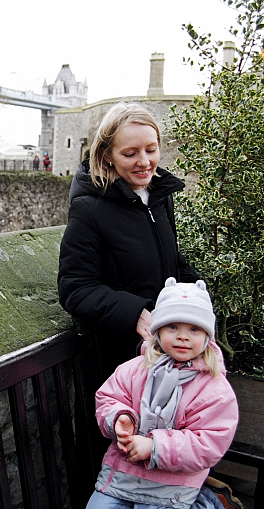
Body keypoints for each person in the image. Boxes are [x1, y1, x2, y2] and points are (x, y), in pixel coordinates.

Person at [58, 102, 198, 381]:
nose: (144, 162)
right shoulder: (89, 208)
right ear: (107, 155)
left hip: (168, 353)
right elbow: (75, 288)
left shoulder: (159, 197)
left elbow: (169, 259)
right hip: (122, 361)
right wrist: (136, 313)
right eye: (130, 153)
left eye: (151, 149)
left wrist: (197, 297)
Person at [87, 277, 240, 509]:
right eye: (172, 326)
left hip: (173, 490)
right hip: (120, 478)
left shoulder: (214, 389)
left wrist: (154, 447)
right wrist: (120, 418)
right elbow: (109, 398)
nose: (183, 336)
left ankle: (206, 501)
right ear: (157, 330)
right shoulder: (134, 370)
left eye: (194, 329)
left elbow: (209, 442)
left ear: (208, 338)